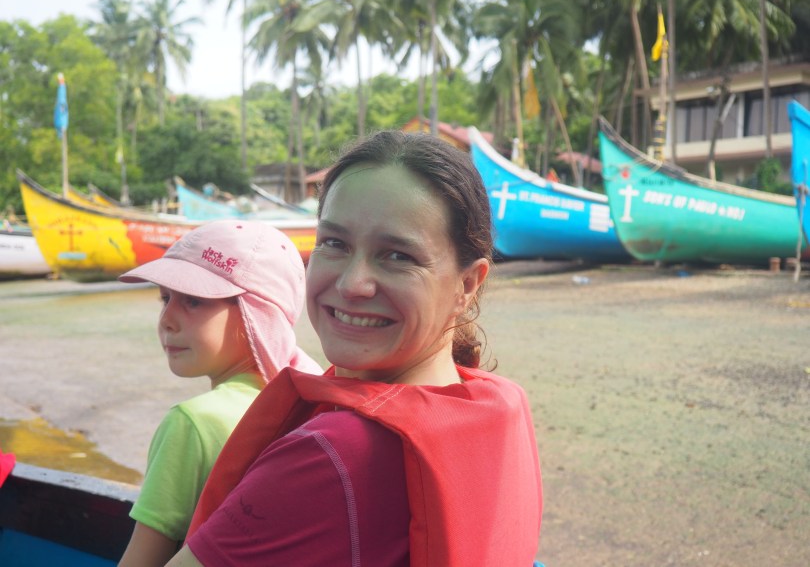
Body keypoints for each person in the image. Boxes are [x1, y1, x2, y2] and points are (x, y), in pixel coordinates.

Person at [167, 131, 543, 566]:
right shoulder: (494, 405)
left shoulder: (328, 457)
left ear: (467, 284)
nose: (351, 284)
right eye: (335, 243)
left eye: (398, 256)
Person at [116, 219, 323, 567]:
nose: (166, 320)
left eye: (193, 301)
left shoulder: (193, 423)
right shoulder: (309, 403)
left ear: (254, 315)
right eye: (165, 298)